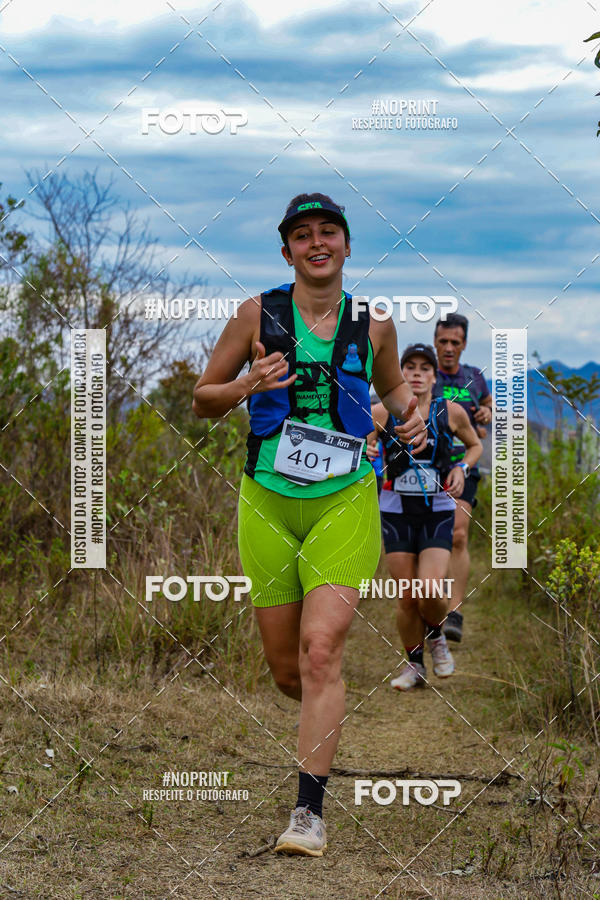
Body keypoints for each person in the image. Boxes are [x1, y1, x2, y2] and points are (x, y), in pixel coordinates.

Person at [192, 192, 426, 856]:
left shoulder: (373, 324)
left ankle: (307, 815)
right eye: (302, 234)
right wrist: (246, 387)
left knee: (321, 651)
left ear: (348, 246)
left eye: (329, 231)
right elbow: (203, 398)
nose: (316, 242)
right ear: (287, 249)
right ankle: (318, 726)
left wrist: (409, 416)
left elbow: (395, 396)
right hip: (266, 500)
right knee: (289, 672)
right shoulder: (254, 314)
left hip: (344, 501)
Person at [368, 343, 481, 691]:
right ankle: (415, 666)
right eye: (410, 367)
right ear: (401, 374)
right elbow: (363, 442)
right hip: (396, 510)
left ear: (434, 376)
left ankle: (437, 636)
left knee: (429, 587)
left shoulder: (452, 412)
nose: (416, 374)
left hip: (438, 509)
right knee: (406, 596)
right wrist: (368, 448)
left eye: (424, 368)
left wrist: (462, 467)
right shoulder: (382, 412)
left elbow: (474, 445)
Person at [432, 314, 492, 643]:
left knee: (457, 534)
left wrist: (487, 412)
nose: (449, 348)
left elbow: (486, 405)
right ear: (435, 342)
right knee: (430, 540)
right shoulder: (425, 375)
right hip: (426, 468)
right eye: (443, 341)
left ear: (465, 344)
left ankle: (454, 612)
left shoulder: (475, 377)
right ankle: (430, 609)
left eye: (456, 342)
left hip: (465, 466)